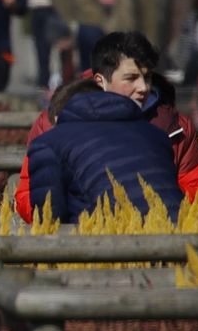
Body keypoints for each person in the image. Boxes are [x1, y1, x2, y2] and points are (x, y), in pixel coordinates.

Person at [13, 32, 198, 223]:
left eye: (147, 77)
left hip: (161, 233)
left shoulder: (173, 126)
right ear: (101, 81)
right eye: (131, 78)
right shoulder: (52, 122)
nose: (143, 87)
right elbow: (30, 199)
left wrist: (145, 202)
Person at [27, 83, 183, 225]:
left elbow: (49, 221)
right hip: (180, 235)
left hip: (109, 240)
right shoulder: (155, 135)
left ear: (57, 118)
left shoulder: (49, 143)